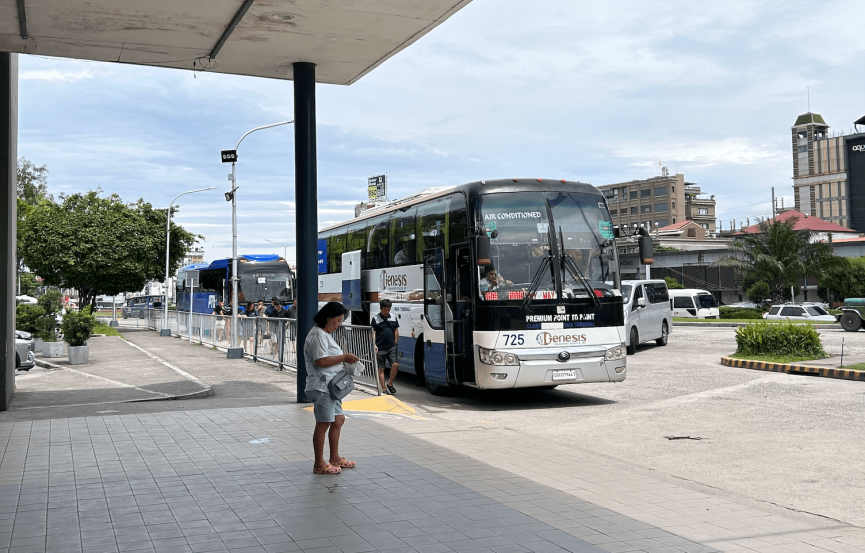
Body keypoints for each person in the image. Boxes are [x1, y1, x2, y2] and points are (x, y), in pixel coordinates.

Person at [304, 302, 361, 475]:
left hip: (331, 386)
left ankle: (335, 458)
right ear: (328, 318)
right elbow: (321, 361)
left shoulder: (324, 334)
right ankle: (319, 464)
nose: (338, 325)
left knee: (338, 420)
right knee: (323, 423)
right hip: (323, 386)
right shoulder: (318, 335)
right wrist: (344, 357)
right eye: (337, 321)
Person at [371, 299, 399, 395]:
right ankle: (383, 388)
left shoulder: (393, 318)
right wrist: (374, 344)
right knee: (381, 369)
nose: (387, 312)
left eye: (388, 309)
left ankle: (390, 383)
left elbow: (396, 330)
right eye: (385, 309)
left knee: (395, 365)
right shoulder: (375, 319)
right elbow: (373, 332)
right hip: (380, 347)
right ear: (381, 308)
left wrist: (395, 342)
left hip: (391, 346)